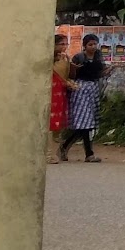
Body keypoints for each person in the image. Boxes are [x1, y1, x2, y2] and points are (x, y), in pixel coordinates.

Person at [61, 32, 108, 162]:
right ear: (84, 46)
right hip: (80, 89)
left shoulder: (98, 57)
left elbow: (99, 74)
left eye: (94, 44)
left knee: (87, 123)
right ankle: (88, 153)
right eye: (90, 44)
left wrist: (108, 71)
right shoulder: (79, 58)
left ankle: (65, 146)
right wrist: (74, 68)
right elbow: (72, 75)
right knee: (85, 122)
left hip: (92, 90)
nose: (93, 47)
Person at [49, 34, 75, 164]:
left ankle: (53, 153)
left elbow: (65, 76)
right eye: (61, 44)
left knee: (58, 124)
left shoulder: (66, 59)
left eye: (66, 44)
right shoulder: (49, 59)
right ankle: (48, 154)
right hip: (50, 93)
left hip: (61, 93)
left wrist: (69, 83)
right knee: (49, 123)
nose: (64, 47)